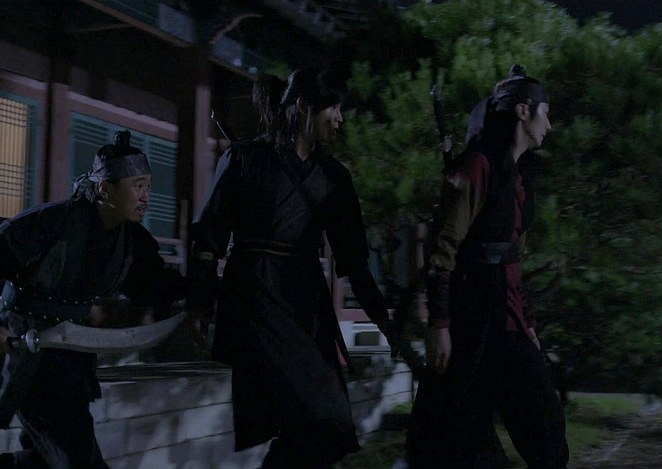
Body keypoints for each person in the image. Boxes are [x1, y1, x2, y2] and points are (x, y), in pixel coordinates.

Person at [187, 66, 395, 468]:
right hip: (256, 298)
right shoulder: (245, 158)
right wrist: (198, 302)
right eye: (332, 108)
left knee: (329, 429)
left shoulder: (334, 177)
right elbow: (208, 238)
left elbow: (353, 259)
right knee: (315, 419)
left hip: (305, 302)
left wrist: (381, 316)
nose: (340, 118)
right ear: (302, 107)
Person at [406, 65, 569, 469]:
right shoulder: (476, 166)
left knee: (546, 431)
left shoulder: (518, 183)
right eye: (545, 113)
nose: (549, 124)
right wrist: (439, 324)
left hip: (507, 321)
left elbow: (512, 262)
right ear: (522, 112)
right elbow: (443, 250)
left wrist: (527, 323)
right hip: (471, 322)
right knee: (459, 434)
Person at [0, 130, 185, 468]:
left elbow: (156, 287)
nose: (146, 196)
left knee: (44, 460)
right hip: (26, 346)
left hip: (71, 355)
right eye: (137, 186)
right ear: (105, 189)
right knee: (77, 457)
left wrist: (203, 292)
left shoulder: (132, 241)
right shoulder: (52, 222)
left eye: (148, 186)